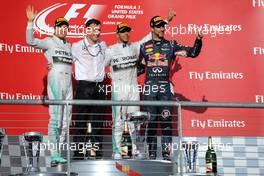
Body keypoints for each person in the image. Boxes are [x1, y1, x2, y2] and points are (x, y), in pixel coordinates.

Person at [105, 11, 176, 160]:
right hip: (119, 89)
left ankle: (135, 149)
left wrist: (166, 21)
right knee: (118, 121)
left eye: (127, 31)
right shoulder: (110, 50)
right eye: (123, 31)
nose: (126, 34)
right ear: (117, 34)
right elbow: (99, 67)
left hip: (133, 89)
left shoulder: (136, 47)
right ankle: (117, 150)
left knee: (135, 122)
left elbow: (151, 35)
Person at [138, 15, 204, 160]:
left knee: (166, 123)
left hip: (164, 87)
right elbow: (139, 69)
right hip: (149, 88)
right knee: (151, 124)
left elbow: (193, 52)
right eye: (158, 26)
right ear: (152, 28)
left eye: (163, 26)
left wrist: (198, 40)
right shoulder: (144, 47)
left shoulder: (172, 45)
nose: (162, 28)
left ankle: (167, 157)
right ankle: (151, 157)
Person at [26, 5, 73, 165]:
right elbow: (30, 41)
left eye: (66, 27)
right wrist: (31, 22)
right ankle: (54, 154)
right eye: (60, 27)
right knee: (56, 120)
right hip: (55, 82)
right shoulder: (49, 42)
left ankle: (59, 153)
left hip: (68, 84)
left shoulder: (69, 45)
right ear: (55, 29)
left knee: (66, 121)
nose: (63, 29)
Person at [71, 19, 107, 159]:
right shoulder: (77, 46)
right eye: (93, 29)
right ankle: (78, 153)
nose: (97, 32)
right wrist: (51, 64)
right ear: (87, 30)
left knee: (98, 122)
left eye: (98, 29)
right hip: (83, 86)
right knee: (81, 122)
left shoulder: (103, 45)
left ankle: (95, 152)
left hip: (100, 86)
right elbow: (66, 61)